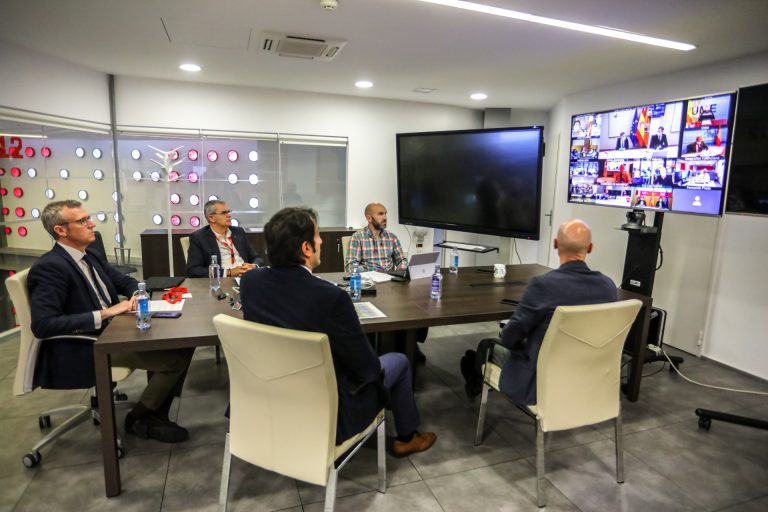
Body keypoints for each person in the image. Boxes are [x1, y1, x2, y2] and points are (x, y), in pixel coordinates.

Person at [239, 207, 437, 456]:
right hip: (329, 406)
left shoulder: (250, 283)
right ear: (306, 248)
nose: (321, 241)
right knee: (398, 360)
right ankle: (407, 437)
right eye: (319, 236)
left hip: (270, 395)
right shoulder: (331, 297)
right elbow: (367, 370)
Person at [28, 200, 194, 443]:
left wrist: (136, 293)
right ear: (61, 230)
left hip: (112, 332)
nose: (91, 223)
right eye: (82, 221)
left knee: (180, 341)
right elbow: (43, 325)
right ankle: (140, 418)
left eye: (88, 218)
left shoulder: (89, 255)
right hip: (84, 345)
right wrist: (107, 313)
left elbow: (123, 281)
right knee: (174, 357)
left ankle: (155, 413)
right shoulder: (50, 267)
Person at [460, 219, 617, 404]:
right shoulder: (608, 287)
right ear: (590, 248)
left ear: (556, 244)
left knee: (484, 347)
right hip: (587, 376)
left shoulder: (543, 286)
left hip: (540, 380)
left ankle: (476, 381)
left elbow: (510, 337)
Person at [186, 199, 264, 278]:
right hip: (222, 280)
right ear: (211, 218)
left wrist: (254, 266)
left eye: (228, 211)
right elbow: (193, 270)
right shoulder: (199, 237)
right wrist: (228, 272)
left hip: (246, 277)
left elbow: (257, 258)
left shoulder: (238, 232)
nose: (229, 215)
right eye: (224, 213)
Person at [345, 203, 407, 272]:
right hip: (368, 279)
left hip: (389, 279)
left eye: (385, 214)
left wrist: (402, 267)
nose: (385, 217)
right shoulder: (357, 237)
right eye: (380, 214)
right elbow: (350, 267)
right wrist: (369, 273)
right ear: (369, 218)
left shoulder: (392, 237)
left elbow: (401, 260)